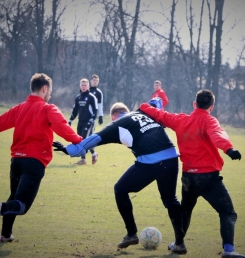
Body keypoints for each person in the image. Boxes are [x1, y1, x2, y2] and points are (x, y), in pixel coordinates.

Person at [53, 98, 187, 254]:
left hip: (151, 161)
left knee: (120, 189)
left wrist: (68, 150)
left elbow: (91, 140)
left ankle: (131, 233)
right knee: (170, 199)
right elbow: (156, 104)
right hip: (171, 157)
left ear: (114, 116)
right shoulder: (143, 113)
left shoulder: (117, 124)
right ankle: (180, 244)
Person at [140, 89, 245, 258]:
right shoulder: (209, 121)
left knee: (186, 210)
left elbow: (161, 115)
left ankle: (179, 244)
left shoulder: (181, 120)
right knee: (228, 213)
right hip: (208, 178)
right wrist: (229, 149)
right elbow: (217, 135)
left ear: (194, 104)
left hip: (188, 178)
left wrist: (144, 106)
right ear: (211, 107)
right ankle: (228, 250)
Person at [0, 73, 82, 243]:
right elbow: (63, 128)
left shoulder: (19, 108)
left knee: (13, 198)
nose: (50, 94)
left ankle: (6, 234)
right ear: (44, 89)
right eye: (50, 91)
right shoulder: (48, 108)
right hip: (34, 162)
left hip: (16, 161)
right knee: (21, 206)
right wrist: (80, 142)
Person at [68, 78, 98, 165]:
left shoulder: (92, 97)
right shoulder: (78, 98)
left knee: (83, 140)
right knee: (79, 140)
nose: (84, 87)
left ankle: (83, 159)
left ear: (88, 86)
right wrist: (70, 119)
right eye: (82, 85)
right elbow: (75, 111)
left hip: (89, 122)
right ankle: (94, 153)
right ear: (80, 86)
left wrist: (90, 121)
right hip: (80, 122)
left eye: (85, 85)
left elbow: (95, 112)